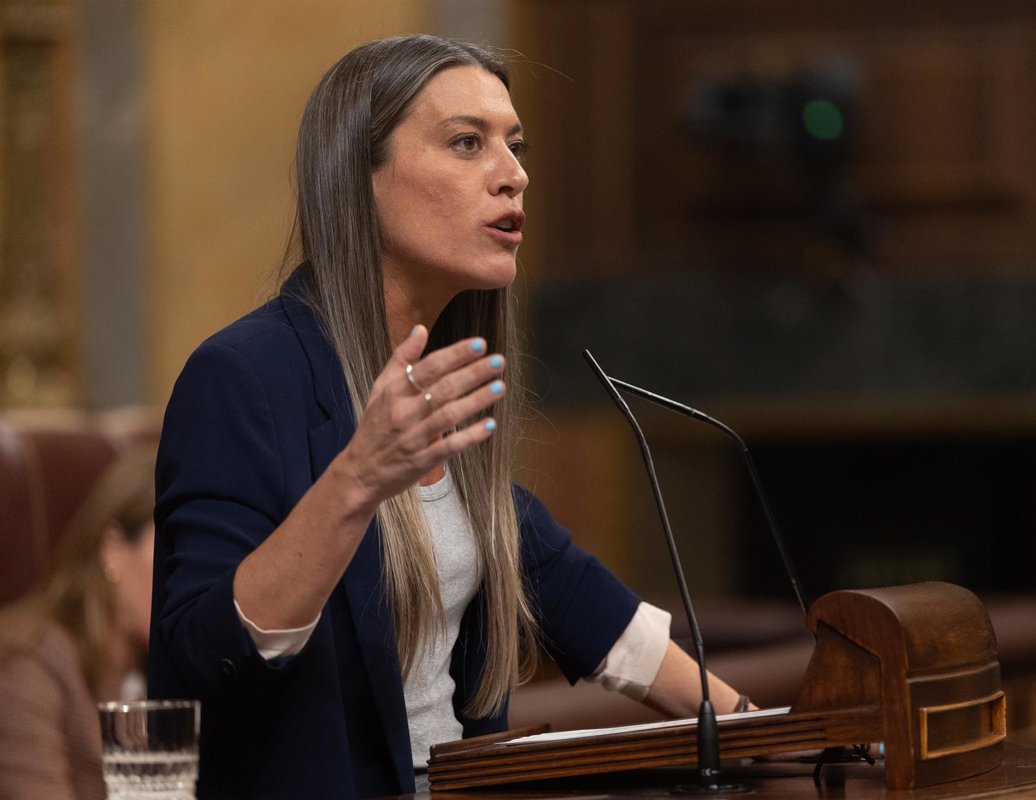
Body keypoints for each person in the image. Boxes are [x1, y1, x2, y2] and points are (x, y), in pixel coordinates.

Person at [149, 34, 751, 799]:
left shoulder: (449, 377)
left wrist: (762, 729)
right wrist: (357, 480)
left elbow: (583, 604)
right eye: (468, 143)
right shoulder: (242, 377)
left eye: (515, 146)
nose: (514, 174)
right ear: (357, 177)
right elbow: (200, 658)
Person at [0, 446, 157, 800]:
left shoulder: (171, 669)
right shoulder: (26, 662)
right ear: (114, 550)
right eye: (172, 550)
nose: (190, 579)